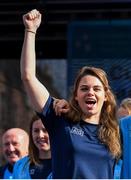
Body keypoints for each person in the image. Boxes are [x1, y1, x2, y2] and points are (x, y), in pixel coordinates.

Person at [20, 9, 121, 178]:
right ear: (75, 95)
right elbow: (28, 77)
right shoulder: (60, 120)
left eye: (96, 89)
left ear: (106, 95)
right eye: (84, 88)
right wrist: (30, 31)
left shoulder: (117, 132)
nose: (90, 92)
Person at [13, 114, 52, 179]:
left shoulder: (66, 163)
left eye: (45, 130)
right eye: (36, 131)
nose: (40, 135)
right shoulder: (20, 165)